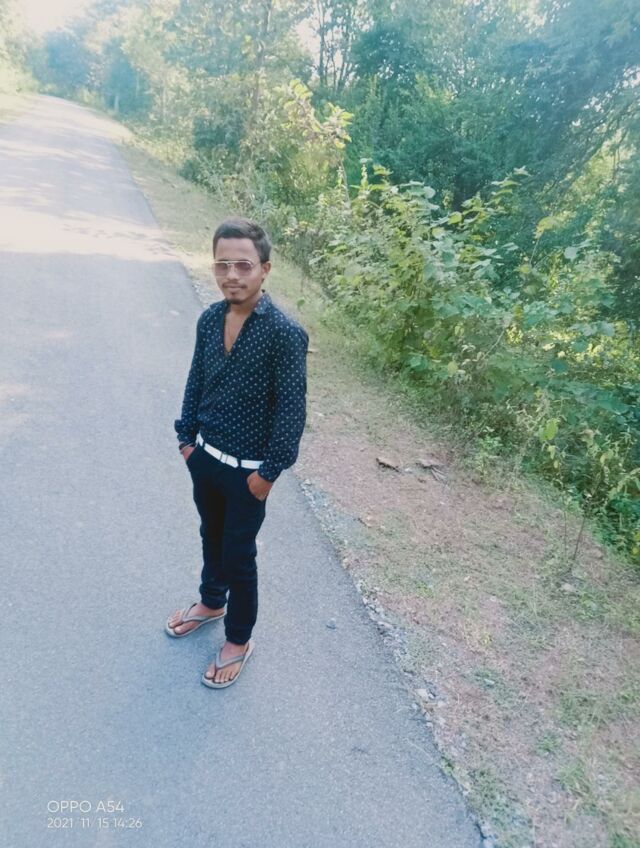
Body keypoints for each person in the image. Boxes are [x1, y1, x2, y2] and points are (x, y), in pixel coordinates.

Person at [166, 217, 308, 688]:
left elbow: (290, 413)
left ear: (264, 269)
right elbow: (196, 380)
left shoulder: (284, 334)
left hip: (249, 474)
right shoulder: (210, 319)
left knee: (239, 554)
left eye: (243, 265)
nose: (232, 275)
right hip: (204, 458)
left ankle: (238, 639)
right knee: (211, 535)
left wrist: (267, 475)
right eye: (222, 264)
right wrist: (186, 441)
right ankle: (211, 602)